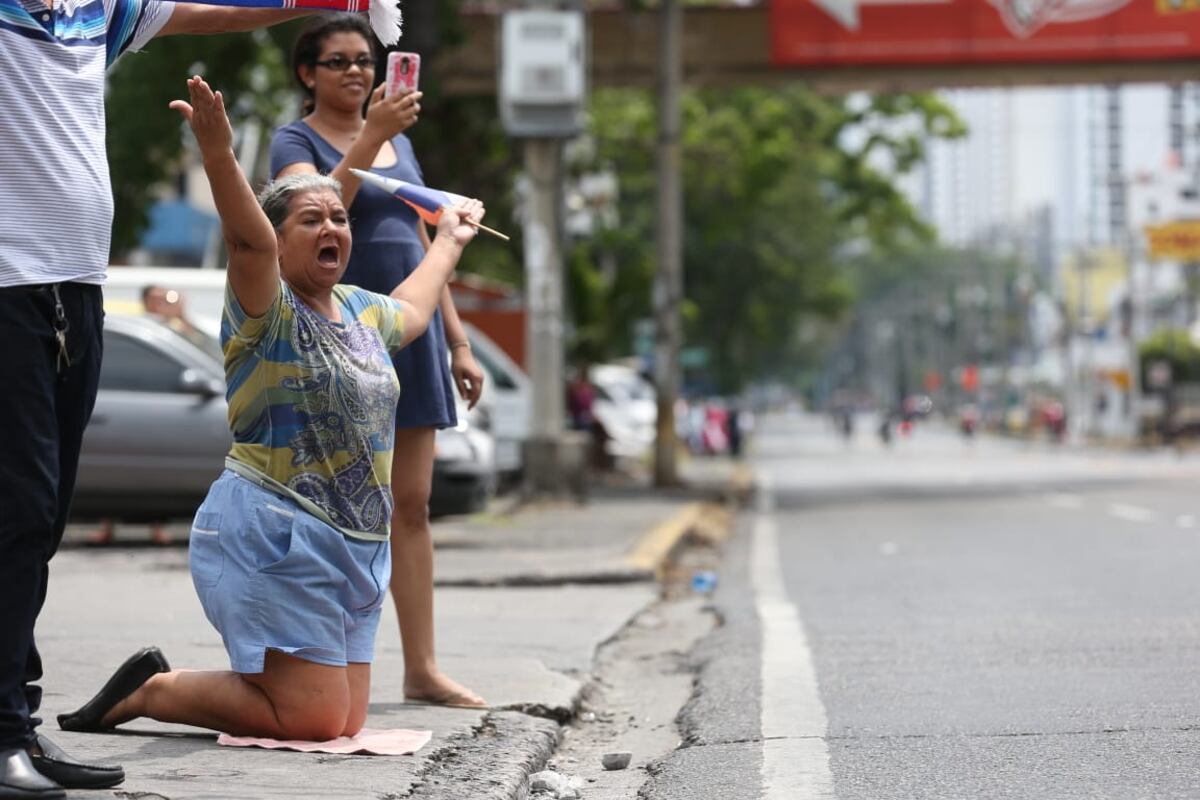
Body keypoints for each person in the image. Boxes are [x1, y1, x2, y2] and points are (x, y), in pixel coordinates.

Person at [57, 75, 484, 743]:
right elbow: (247, 242)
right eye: (309, 219)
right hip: (276, 532)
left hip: (357, 548)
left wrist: (452, 239)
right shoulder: (267, 310)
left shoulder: (362, 310)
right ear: (280, 244)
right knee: (312, 719)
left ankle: (231, 687)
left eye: (339, 217)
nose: (331, 227)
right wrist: (218, 153)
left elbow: (420, 304)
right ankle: (153, 690)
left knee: (344, 720)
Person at [0, 3, 318, 797]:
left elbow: (215, 13)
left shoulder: (97, 7)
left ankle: (17, 723)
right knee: (19, 512)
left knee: (42, 519)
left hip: (78, 287)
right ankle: (1, 732)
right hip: (7, 285)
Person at [269, 14, 487, 709]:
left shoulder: (401, 144)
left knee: (412, 505)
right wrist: (372, 137)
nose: (357, 72)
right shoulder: (293, 140)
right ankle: (323, 663)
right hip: (345, 333)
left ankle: (421, 667)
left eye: (366, 59)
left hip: (412, 334)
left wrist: (457, 340)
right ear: (308, 73)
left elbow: (429, 244)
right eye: (337, 61)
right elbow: (316, 207)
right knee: (338, 502)